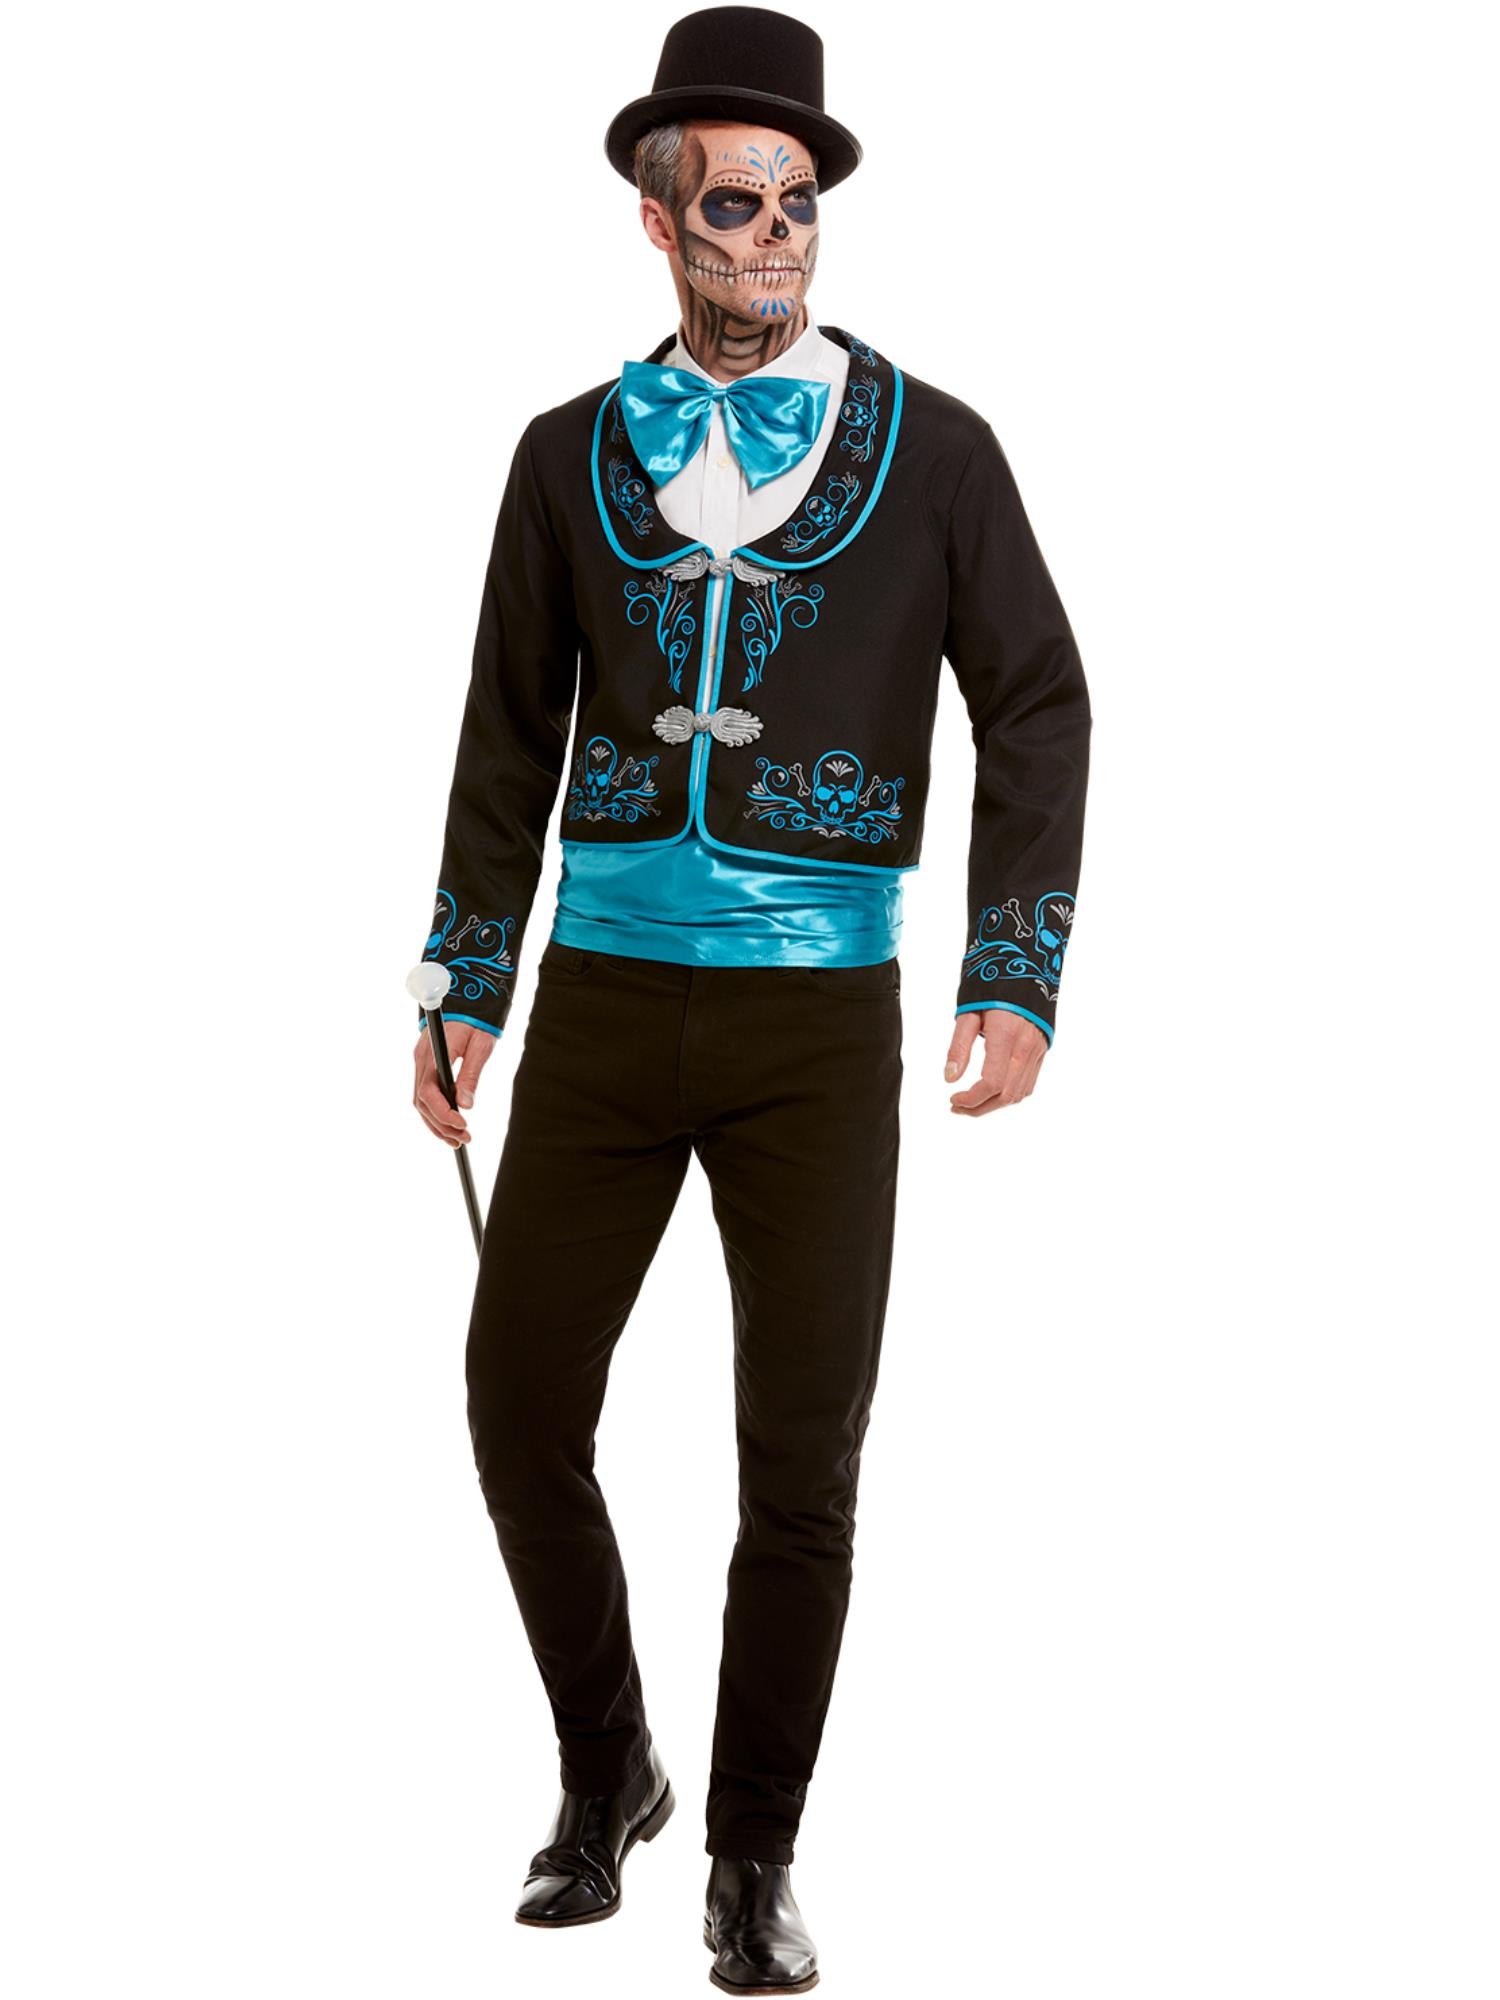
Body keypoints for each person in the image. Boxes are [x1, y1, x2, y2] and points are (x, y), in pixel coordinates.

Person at [411, 7, 1091, 1989]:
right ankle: (608, 1767)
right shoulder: (560, 456)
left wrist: (1015, 964)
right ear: (657, 219)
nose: (775, 237)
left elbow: (1038, 700)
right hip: (604, 1003)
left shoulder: (940, 450)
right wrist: (464, 978)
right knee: (516, 1401)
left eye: (799, 203)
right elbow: (504, 733)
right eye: (733, 204)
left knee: (802, 1460)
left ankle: (751, 1856)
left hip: (818, 1022)